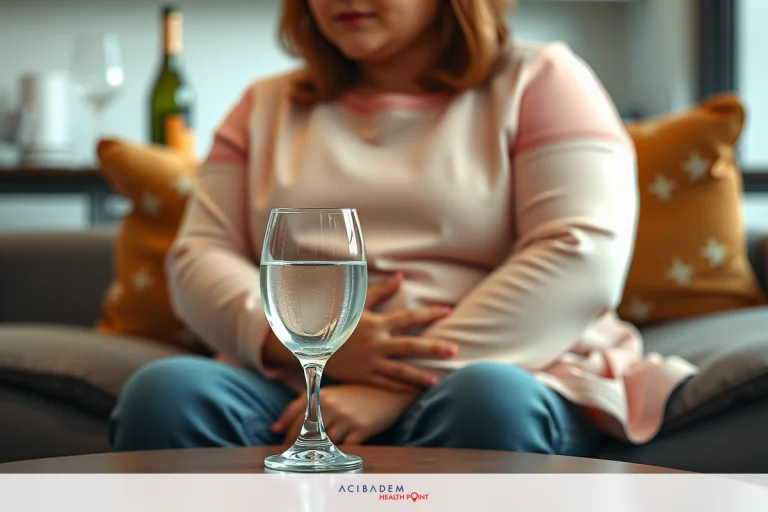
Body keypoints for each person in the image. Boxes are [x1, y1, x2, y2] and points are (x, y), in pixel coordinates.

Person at [109, 0, 697, 456]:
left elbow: (580, 255)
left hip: (513, 369)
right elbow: (197, 258)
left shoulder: (543, 80)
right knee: (165, 395)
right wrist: (322, 350)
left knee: (488, 401)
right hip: (297, 383)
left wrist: (392, 384)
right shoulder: (264, 105)